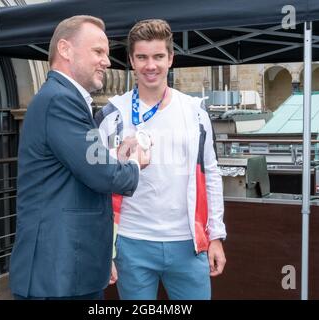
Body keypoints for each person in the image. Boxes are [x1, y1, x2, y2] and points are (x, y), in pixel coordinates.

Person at [9, 15, 149, 300]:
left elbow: (79, 165)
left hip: (71, 270)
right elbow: (100, 174)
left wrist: (115, 155)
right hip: (58, 276)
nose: (107, 62)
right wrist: (135, 163)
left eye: (106, 54)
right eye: (98, 51)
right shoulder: (61, 100)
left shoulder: (62, 98)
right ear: (65, 49)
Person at [96, 19, 226, 300]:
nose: (150, 65)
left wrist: (215, 235)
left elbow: (211, 175)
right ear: (131, 60)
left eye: (158, 56)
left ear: (170, 58)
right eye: (142, 57)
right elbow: (95, 186)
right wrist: (104, 248)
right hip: (131, 243)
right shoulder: (111, 115)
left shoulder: (195, 112)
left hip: (188, 243)